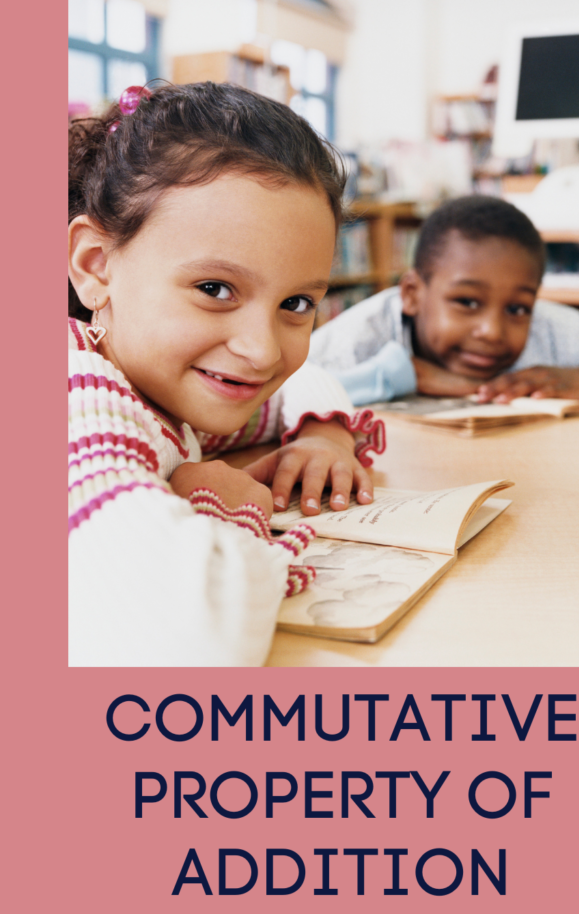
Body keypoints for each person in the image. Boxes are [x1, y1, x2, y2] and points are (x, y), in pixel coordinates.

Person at [68, 82, 385, 667]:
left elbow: (305, 386)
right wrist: (219, 504)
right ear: (96, 266)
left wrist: (324, 433)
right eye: (215, 290)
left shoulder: (170, 387)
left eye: (295, 305)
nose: (262, 352)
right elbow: (182, 638)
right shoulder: (76, 392)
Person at [308, 195, 579, 405]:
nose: (492, 331)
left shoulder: (551, 331)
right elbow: (274, 400)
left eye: (517, 308)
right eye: (467, 302)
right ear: (412, 294)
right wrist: (397, 375)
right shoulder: (355, 341)